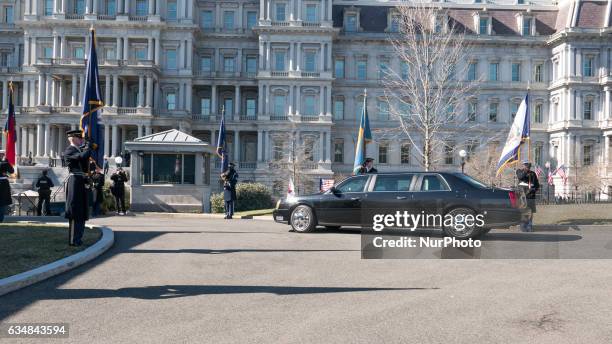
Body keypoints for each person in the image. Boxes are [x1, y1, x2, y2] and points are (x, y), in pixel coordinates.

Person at [64, 129, 93, 246]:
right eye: (79, 138)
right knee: (75, 210)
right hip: (74, 181)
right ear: (72, 138)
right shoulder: (69, 151)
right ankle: (74, 239)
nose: (81, 140)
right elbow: (82, 157)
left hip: (80, 180)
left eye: (81, 138)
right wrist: (88, 147)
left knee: (81, 210)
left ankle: (79, 237)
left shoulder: (78, 150)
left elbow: (85, 160)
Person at [516, 161, 539, 232]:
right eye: (526, 166)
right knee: (523, 211)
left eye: (528, 166)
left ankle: (529, 225)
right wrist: (525, 171)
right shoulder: (519, 171)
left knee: (530, 212)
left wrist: (533, 190)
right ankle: (523, 226)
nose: (527, 167)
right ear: (523, 165)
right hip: (522, 196)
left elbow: (537, 185)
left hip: (530, 196)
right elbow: (521, 177)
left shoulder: (533, 174)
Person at [0, 151, 14, 222]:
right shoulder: (5, 163)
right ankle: (0, 219)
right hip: (3, 183)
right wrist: (7, 162)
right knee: (2, 201)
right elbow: (12, 171)